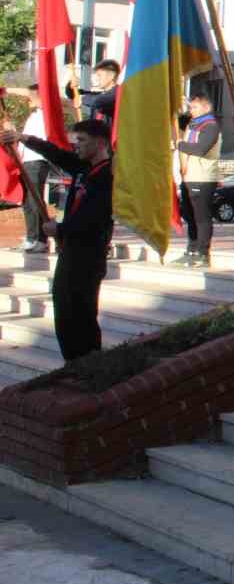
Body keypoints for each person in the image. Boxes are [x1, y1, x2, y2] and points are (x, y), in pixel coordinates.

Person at [0, 117, 115, 361]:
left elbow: (94, 217)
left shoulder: (109, 175)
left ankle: (88, 362)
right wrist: (23, 138)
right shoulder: (83, 167)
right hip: (71, 250)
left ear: (101, 142)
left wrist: (60, 229)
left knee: (79, 311)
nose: (77, 146)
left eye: (82, 141)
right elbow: (56, 154)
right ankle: (73, 362)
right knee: (64, 307)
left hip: (89, 253)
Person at [174, 93, 223, 267]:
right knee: (189, 215)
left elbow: (201, 149)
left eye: (195, 107)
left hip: (203, 178)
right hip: (189, 176)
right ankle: (192, 249)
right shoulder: (193, 125)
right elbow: (179, 118)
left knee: (201, 217)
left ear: (206, 108)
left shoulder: (210, 126)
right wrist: (178, 102)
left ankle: (203, 254)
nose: (191, 111)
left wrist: (179, 145)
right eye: (191, 107)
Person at [16, 85, 51, 255]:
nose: (27, 99)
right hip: (25, 161)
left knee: (35, 200)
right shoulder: (33, 116)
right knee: (27, 201)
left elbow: (34, 94)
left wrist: (6, 90)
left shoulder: (47, 112)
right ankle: (31, 237)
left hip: (37, 161)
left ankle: (41, 239)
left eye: (30, 96)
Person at [66, 60, 121, 129]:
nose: (97, 79)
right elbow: (73, 95)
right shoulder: (101, 94)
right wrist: (71, 85)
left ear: (111, 76)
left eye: (99, 75)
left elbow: (99, 101)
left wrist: (81, 99)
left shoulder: (118, 93)